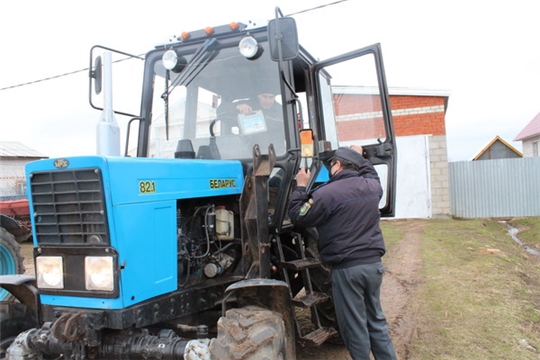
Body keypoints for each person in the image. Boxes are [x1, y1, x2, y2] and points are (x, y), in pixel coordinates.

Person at [288, 145, 397, 360]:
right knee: (376, 320)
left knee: (354, 326)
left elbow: (298, 216)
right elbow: (370, 171)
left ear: (337, 165)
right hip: (373, 266)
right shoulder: (372, 187)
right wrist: (360, 156)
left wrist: (300, 187)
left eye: (331, 165)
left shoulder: (325, 194)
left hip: (348, 270)